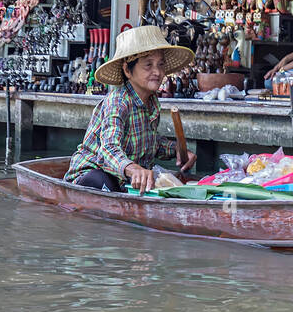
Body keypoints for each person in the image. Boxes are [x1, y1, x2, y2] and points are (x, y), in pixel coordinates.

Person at [64, 25, 195, 193]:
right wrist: (133, 169)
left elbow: (150, 143)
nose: (157, 71)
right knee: (105, 183)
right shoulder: (118, 102)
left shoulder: (152, 102)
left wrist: (177, 149)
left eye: (160, 64)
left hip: (123, 179)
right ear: (127, 70)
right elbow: (108, 150)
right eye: (148, 65)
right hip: (91, 175)